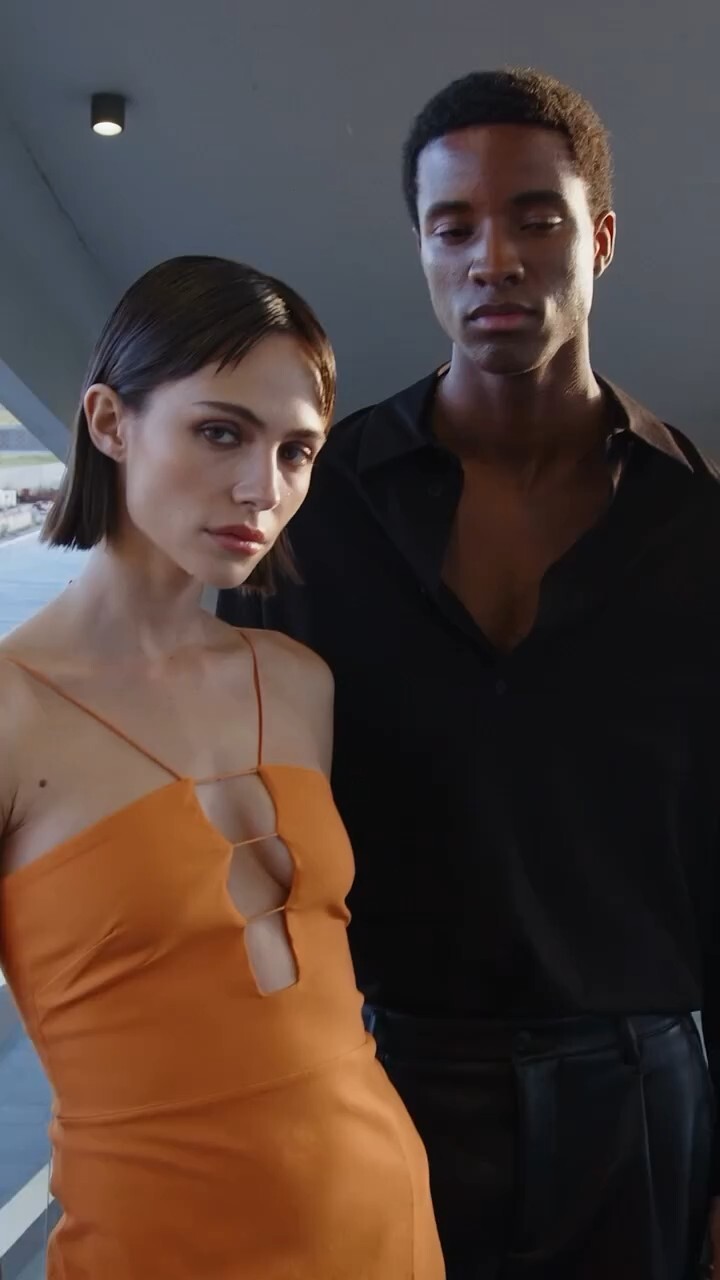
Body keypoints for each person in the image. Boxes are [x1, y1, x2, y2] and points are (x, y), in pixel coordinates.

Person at [219, 70, 720, 1279]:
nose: (494, 258)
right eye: (455, 227)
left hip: (639, 1093)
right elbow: (242, 824)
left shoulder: (695, 518)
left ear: (599, 238)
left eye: (536, 218)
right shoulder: (314, 510)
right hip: (374, 1070)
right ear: (424, 250)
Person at [0, 255, 445, 1280]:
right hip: (157, 1246)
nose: (264, 488)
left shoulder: (295, 682)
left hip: (385, 1222)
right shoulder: (15, 712)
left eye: (297, 451)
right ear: (109, 422)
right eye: (220, 432)